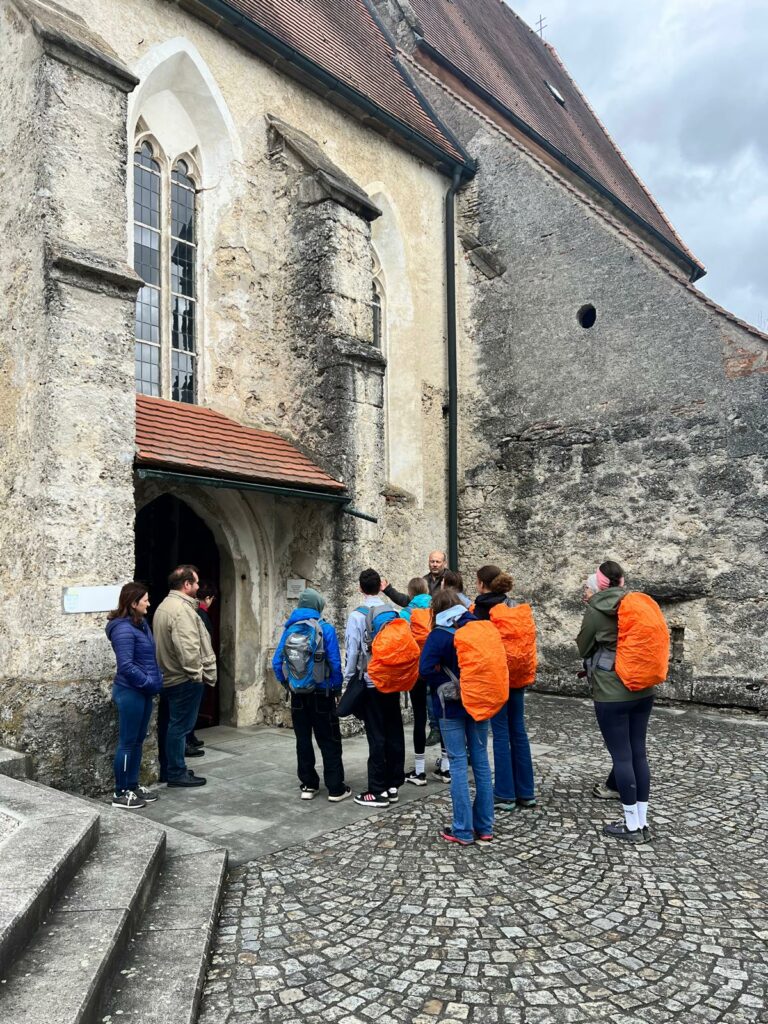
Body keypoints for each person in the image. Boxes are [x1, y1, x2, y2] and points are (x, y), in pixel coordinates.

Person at [577, 560, 653, 843]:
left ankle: (631, 826)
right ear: (621, 582)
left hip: (611, 691)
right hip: (643, 687)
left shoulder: (596, 609)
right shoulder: (636, 603)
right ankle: (642, 822)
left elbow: (584, 646)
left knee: (621, 757)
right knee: (638, 754)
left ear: (598, 586)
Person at [419, 589, 495, 845]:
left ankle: (462, 829)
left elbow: (425, 669)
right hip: (480, 701)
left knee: (458, 764)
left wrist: (443, 678)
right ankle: (485, 826)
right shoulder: (478, 626)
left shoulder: (439, 635)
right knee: (481, 761)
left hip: (450, 706)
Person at [272, 587, 350, 802]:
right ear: (317, 606)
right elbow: (334, 663)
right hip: (322, 692)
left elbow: (277, 662)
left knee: (303, 740)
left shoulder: (290, 629)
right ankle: (335, 788)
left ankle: (308, 785)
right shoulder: (325, 629)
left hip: (297, 693)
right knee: (329, 739)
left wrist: (288, 684)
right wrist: (336, 688)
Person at [475, 565, 536, 813]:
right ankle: (526, 792)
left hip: (497, 677)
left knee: (500, 733)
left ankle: (504, 793)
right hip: (517, 676)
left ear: (482, 584)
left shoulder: (482, 608)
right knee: (518, 731)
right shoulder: (511, 605)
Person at [343, 569, 406, 807]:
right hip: (393, 680)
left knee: (376, 735)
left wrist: (349, 678)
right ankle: (393, 785)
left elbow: (352, 651)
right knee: (394, 731)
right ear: (381, 586)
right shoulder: (393, 612)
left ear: (360, 588)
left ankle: (377, 790)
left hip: (371, 681)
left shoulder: (357, 616)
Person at [154, 565, 216, 788]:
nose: (199, 587)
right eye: (196, 582)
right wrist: (197, 675)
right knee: (180, 727)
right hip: (182, 679)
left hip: (169, 677)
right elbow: (188, 649)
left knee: (170, 725)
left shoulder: (165, 605)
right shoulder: (181, 610)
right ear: (186, 584)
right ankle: (176, 772)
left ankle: (168, 768)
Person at [381, 551, 449, 747]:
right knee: (437, 698)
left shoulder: (448, 582)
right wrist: (389, 590)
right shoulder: (429, 594)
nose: (434, 564)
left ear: (444, 563)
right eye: (432, 561)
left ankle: (424, 753)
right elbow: (409, 600)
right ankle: (443, 748)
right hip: (435, 656)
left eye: (437, 561)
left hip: (420, 660)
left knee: (425, 705)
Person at [106, 582, 163, 810]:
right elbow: (126, 666)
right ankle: (120, 793)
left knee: (138, 740)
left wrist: (154, 680)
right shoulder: (122, 629)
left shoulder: (140, 624)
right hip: (130, 691)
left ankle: (132, 785)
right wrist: (148, 682)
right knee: (127, 742)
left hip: (143, 691)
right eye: (145, 600)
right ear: (133, 603)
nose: (149, 603)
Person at [399, 578, 432, 785]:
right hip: (437, 669)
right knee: (442, 717)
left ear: (410, 592)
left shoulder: (406, 613)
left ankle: (419, 771)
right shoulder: (437, 609)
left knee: (419, 717)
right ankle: (446, 768)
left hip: (416, 671)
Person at [186, 580, 218, 754]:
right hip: (197, 665)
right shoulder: (201, 614)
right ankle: (187, 740)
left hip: (196, 665)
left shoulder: (194, 611)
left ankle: (190, 736)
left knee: (194, 705)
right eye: (212, 599)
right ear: (207, 598)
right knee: (192, 705)